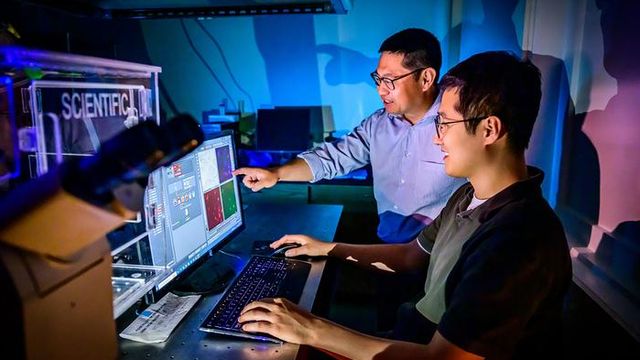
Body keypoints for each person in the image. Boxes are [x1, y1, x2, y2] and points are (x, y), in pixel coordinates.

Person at [238, 51, 572, 359]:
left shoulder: (516, 239)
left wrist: (311, 329)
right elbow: (412, 256)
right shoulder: (468, 196)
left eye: (443, 123)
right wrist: (328, 248)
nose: (436, 137)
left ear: (489, 130)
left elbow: (443, 359)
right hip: (410, 333)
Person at [234, 28, 464, 244]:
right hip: (387, 245)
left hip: (438, 254)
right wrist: (276, 173)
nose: (380, 90)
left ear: (426, 78)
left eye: (389, 81)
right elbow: (332, 158)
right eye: (378, 79)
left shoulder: (459, 124)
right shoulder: (378, 124)